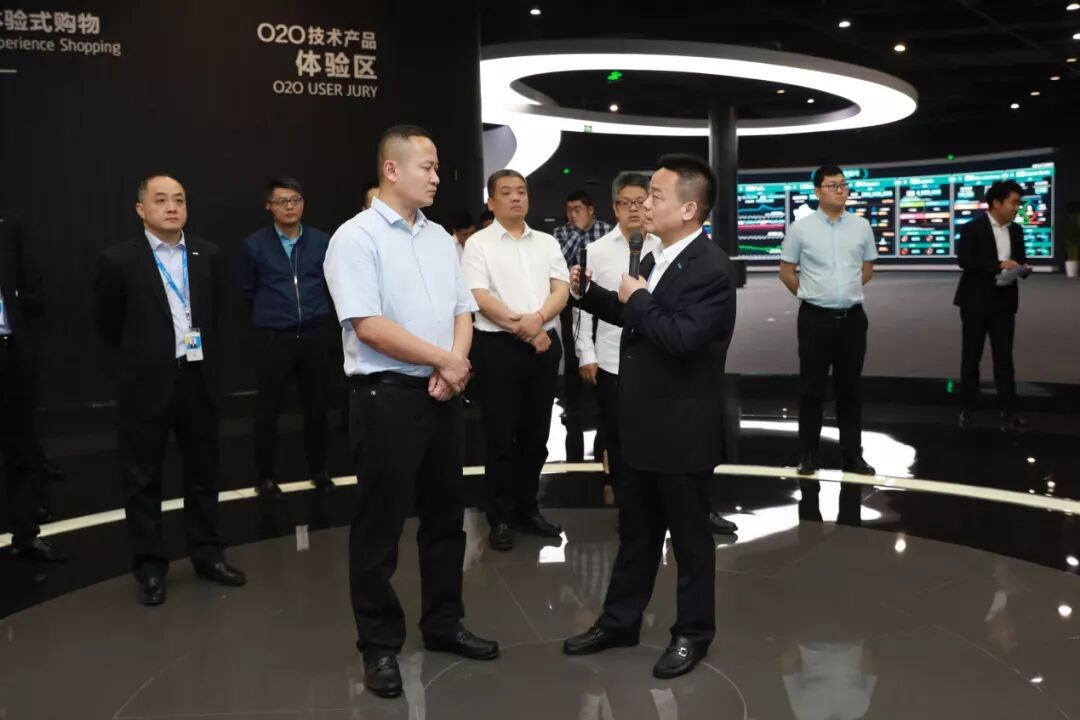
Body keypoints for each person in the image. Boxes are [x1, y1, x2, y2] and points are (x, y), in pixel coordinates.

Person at [324, 125, 498, 700]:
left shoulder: (440, 237)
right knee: (380, 529)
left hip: (443, 392)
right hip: (387, 397)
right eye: (428, 166)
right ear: (392, 170)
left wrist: (455, 364)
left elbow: (462, 310)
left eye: (438, 166)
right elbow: (369, 325)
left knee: (446, 519)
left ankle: (444, 622)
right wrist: (444, 360)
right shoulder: (355, 238)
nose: (437, 177)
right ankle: (378, 645)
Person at [562, 154, 737, 679]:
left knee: (689, 542)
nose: (644, 205)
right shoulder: (660, 255)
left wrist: (637, 299)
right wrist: (588, 295)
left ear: (688, 209)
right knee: (636, 533)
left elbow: (681, 337)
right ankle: (620, 622)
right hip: (641, 424)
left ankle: (692, 634)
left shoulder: (712, 267)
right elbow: (638, 314)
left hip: (682, 431)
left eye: (656, 196)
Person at [92, 174, 246, 606]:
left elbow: (219, 317)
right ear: (141, 209)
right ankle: (150, 567)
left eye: (179, 199)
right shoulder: (118, 261)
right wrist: (132, 372)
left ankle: (208, 555)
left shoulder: (207, 254)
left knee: (204, 473)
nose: (172, 207)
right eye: (160, 200)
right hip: (146, 384)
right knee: (143, 478)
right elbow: (107, 327)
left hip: (198, 378)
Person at [462, 169, 569, 552]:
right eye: (506, 193)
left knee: (536, 437)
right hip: (498, 349)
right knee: (500, 437)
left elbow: (561, 289)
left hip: (544, 344)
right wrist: (525, 328)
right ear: (491, 202)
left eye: (521, 191)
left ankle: (528, 508)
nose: (515, 198)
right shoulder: (478, 244)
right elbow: (479, 297)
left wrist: (538, 320)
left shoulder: (546, 242)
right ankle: (501, 517)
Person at [779, 165, 877, 478]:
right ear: (817, 191)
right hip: (815, 319)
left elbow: (868, 269)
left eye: (843, 185)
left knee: (851, 390)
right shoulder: (801, 229)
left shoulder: (861, 226)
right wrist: (811, 295)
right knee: (811, 389)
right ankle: (808, 454)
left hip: (853, 320)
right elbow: (786, 272)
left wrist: (844, 292)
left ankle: (853, 455)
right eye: (833, 185)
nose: (840, 190)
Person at [240, 178, 334, 497]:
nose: (290, 206)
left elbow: (331, 283)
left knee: (317, 407)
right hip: (274, 336)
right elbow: (247, 290)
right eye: (282, 201)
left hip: (314, 333)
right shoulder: (254, 245)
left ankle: (319, 470)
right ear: (269, 206)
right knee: (268, 409)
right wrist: (272, 314)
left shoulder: (322, 241)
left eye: (295, 200)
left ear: (303, 203)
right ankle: (265, 476)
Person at [0, 212, 65, 562]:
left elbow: (36, 294)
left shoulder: (9, 233)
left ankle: (25, 533)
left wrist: (13, 297)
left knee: (21, 448)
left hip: (10, 352)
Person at [954, 179, 1029, 432]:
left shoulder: (1016, 230)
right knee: (971, 357)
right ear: (996, 203)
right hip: (975, 301)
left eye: (1018, 203)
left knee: (1004, 359)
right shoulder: (972, 228)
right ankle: (968, 409)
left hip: (1004, 302)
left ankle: (1009, 410)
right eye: (1013, 202)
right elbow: (965, 261)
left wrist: (1021, 268)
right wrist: (998, 265)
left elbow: (1021, 259)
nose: (1016, 208)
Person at [554, 190, 612, 461]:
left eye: (577, 209)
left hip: (602, 298)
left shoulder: (607, 231)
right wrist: (577, 230)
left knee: (601, 348)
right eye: (569, 209)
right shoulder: (561, 233)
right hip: (572, 300)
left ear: (591, 209)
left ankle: (602, 403)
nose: (572, 214)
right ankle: (573, 404)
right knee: (572, 350)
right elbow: (562, 259)